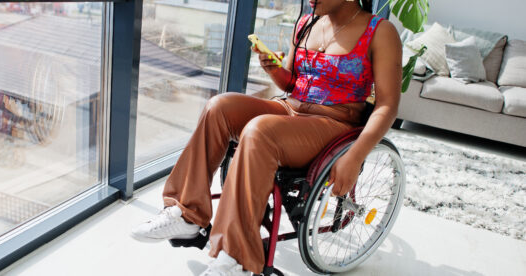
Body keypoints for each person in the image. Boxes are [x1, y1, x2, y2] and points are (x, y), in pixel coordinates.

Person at [131, 0, 402, 275]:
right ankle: (188, 216)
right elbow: (292, 84)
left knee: (259, 130)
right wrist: (273, 69)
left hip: (334, 122)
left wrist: (356, 156)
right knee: (219, 107)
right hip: (289, 108)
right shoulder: (307, 23)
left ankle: (234, 258)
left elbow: (387, 106)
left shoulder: (380, 32)